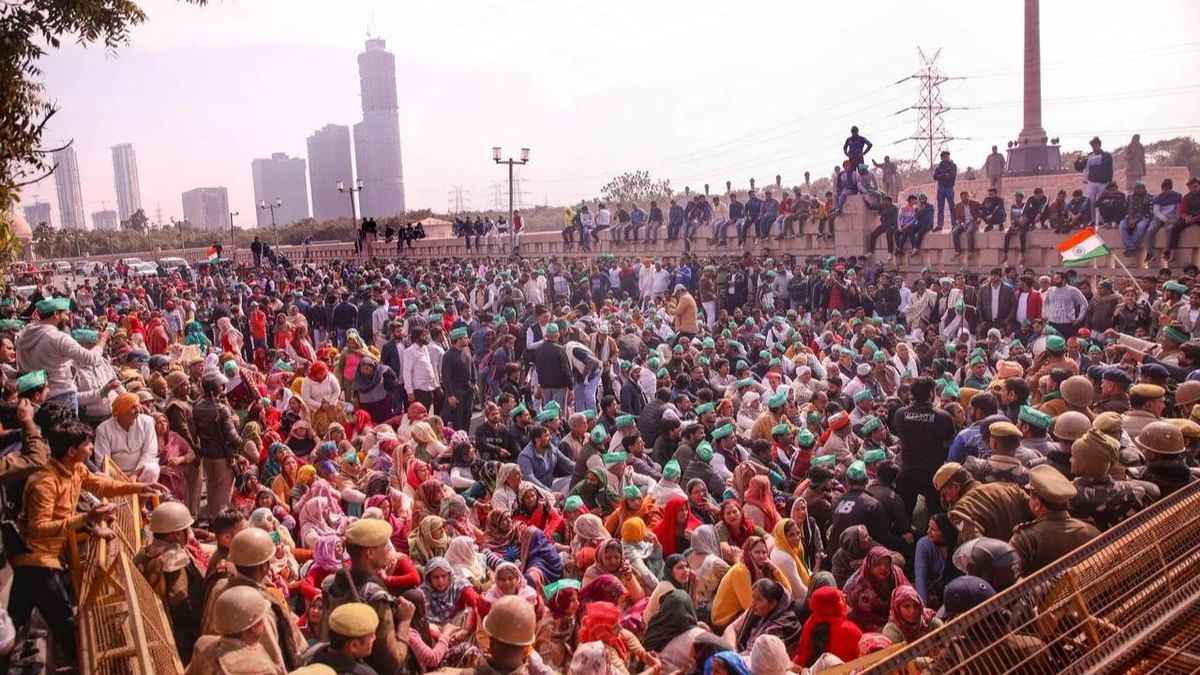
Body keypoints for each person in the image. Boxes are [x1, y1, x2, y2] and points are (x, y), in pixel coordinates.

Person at [135, 501, 208, 664]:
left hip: (153, 623)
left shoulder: (144, 554)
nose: (189, 533)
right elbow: (179, 598)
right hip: (179, 635)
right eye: (186, 529)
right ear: (176, 534)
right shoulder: (174, 560)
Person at [1009, 465, 1100, 575]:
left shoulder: (1024, 539)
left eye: (1030, 494)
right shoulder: (1090, 531)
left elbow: (1010, 579)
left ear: (1038, 504)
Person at [188, 586, 284, 675]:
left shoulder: (203, 644)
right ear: (253, 628)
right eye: (261, 618)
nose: (264, 621)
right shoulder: (262, 669)